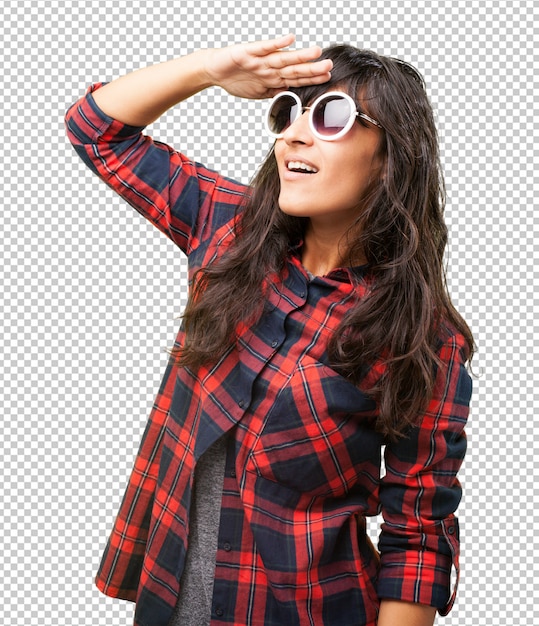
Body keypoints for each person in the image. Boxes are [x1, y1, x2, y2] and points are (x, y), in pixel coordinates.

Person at [65, 33, 474, 626]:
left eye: (331, 117)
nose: (294, 135)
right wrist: (209, 68)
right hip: (171, 596)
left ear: (391, 156)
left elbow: (418, 536)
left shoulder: (422, 335)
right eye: (288, 112)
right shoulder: (227, 229)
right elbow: (96, 131)